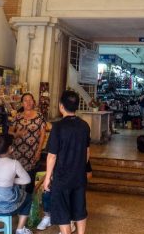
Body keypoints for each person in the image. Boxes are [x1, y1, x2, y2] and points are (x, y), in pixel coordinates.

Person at [43, 90, 90, 234]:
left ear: (61, 106)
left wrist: (47, 177)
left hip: (62, 177)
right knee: (79, 209)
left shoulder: (58, 127)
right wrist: (80, 166)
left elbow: (52, 156)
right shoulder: (84, 126)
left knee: (62, 211)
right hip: (79, 176)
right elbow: (87, 152)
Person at [10, 93, 47, 234]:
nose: (28, 102)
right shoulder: (17, 117)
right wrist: (17, 134)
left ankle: (28, 208)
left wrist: (39, 150)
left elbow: (42, 135)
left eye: (30, 100)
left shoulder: (39, 116)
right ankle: (15, 206)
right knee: (15, 180)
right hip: (17, 153)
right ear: (22, 103)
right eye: (25, 100)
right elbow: (10, 131)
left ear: (34, 102)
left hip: (32, 153)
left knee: (29, 181)